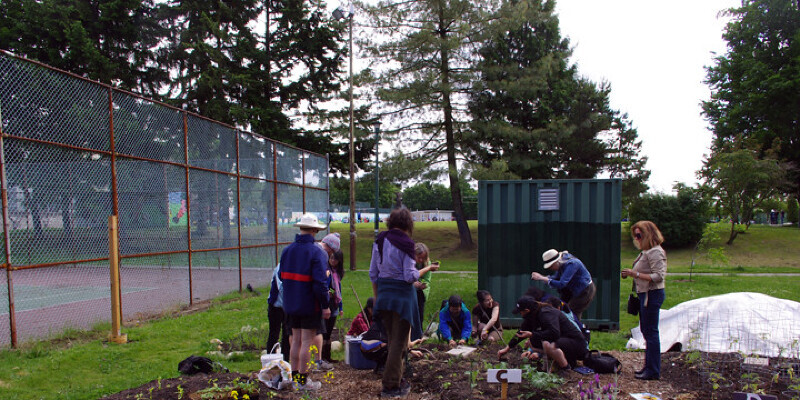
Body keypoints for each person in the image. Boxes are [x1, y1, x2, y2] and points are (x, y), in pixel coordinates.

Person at [369, 207, 438, 398]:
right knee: (398, 343)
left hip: (384, 295)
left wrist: (377, 298)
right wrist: (421, 272)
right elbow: (409, 276)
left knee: (393, 340)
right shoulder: (407, 244)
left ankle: (397, 379)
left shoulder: (380, 240)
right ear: (408, 224)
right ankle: (390, 386)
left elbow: (373, 273)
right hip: (401, 298)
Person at [279, 213, 330, 391]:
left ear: (301, 228)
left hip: (291, 303)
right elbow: (320, 283)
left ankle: (293, 378)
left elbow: (281, 276)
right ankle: (303, 381)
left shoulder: (287, 250)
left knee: (295, 340)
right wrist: (325, 305)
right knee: (307, 341)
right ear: (315, 230)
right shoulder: (317, 252)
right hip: (310, 303)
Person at [621, 220, 667, 381]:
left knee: (651, 333)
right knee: (646, 331)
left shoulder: (655, 252)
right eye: (635, 236)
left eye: (639, 235)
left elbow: (658, 276)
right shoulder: (647, 251)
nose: (637, 239)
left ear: (648, 234)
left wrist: (635, 274)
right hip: (644, 294)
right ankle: (648, 367)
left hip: (652, 295)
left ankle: (653, 370)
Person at [497, 296, 588, 371]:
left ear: (527, 310)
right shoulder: (533, 315)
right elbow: (520, 333)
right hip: (562, 342)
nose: (521, 315)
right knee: (534, 342)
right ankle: (557, 362)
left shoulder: (546, 313)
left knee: (547, 343)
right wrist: (507, 348)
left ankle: (566, 369)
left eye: (521, 312)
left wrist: (532, 335)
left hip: (576, 344)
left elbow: (554, 333)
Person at [530, 249, 596, 319]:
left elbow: (562, 283)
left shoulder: (572, 264)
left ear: (557, 262)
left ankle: (575, 328)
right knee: (564, 309)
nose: (550, 268)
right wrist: (542, 277)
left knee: (571, 313)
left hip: (584, 290)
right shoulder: (562, 263)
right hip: (572, 290)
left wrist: (542, 278)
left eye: (551, 266)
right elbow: (556, 278)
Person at [321, 249, 344, 364]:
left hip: (334, 304)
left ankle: (327, 356)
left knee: (329, 331)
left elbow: (338, 290)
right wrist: (330, 292)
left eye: (335, 259)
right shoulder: (327, 271)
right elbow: (324, 286)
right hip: (327, 304)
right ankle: (322, 357)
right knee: (324, 331)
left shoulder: (337, 273)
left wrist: (341, 307)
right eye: (331, 258)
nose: (333, 260)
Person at [267, 263, 290, 362]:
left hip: (288, 307)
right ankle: (270, 361)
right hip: (276, 306)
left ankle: (285, 361)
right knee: (274, 333)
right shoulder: (281, 268)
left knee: (287, 334)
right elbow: (281, 287)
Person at [413, 243, 436, 325]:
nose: (421, 260)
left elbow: (427, 279)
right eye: (419, 258)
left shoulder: (427, 263)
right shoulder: (408, 261)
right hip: (409, 289)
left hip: (421, 292)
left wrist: (424, 284)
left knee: (419, 314)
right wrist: (413, 283)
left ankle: (418, 333)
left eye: (423, 258)